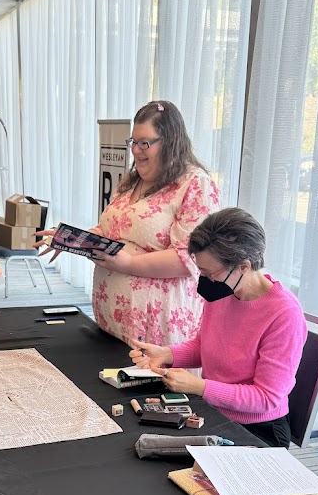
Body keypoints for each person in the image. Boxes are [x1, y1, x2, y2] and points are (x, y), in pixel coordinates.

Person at [130, 207, 307, 448]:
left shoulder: (284, 315)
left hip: (258, 430)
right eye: (201, 270)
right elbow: (206, 346)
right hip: (215, 414)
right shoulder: (223, 290)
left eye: (209, 272)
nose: (205, 279)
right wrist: (167, 354)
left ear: (244, 266)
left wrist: (200, 387)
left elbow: (266, 398)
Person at [49, 100, 218, 346]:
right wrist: (71, 239)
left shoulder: (194, 185)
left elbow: (190, 258)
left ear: (171, 142)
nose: (136, 150)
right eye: (133, 142)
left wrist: (129, 264)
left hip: (156, 326)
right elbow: (109, 231)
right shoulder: (132, 181)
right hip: (113, 319)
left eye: (145, 143)